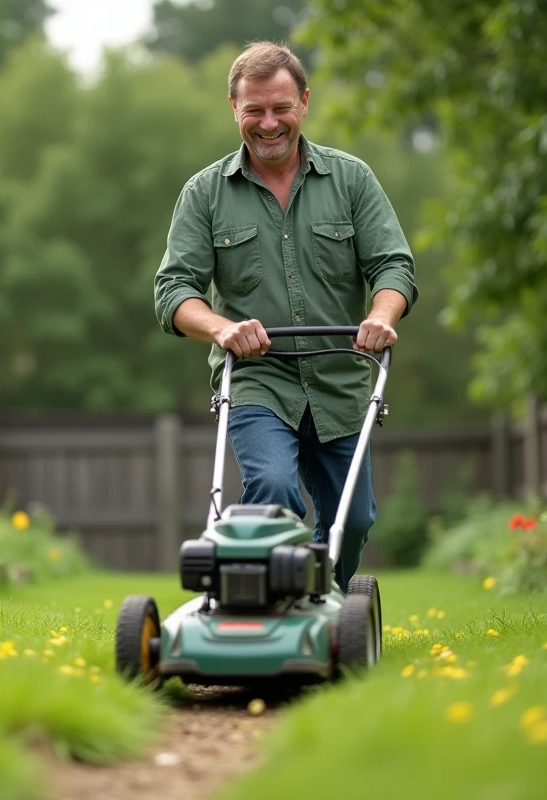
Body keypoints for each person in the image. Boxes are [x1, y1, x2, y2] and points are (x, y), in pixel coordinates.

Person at [153, 41, 418, 591]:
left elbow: (393, 265)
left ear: (303, 102)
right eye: (254, 110)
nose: (268, 123)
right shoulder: (205, 194)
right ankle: (265, 601)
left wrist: (381, 315)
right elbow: (174, 290)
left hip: (340, 378)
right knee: (272, 488)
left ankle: (319, 598)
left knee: (357, 518)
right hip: (256, 379)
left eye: (280, 107)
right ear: (234, 109)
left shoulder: (351, 180)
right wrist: (222, 327)